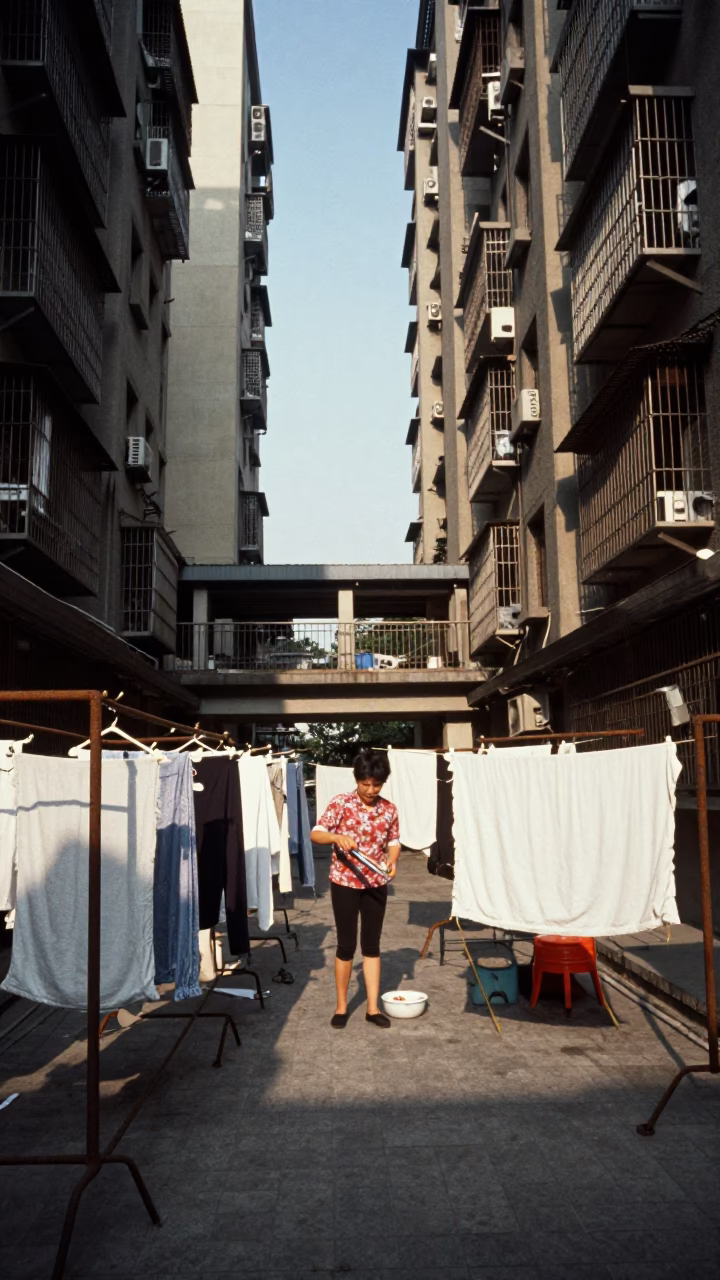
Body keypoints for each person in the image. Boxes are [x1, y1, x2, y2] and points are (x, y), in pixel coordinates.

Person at [311, 747, 401, 1029]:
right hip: (344, 883)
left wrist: (392, 861)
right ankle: (341, 1006)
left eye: (376, 784)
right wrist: (337, 837)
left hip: (376, 883)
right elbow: (316, 833)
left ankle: (372, 1008)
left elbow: (394, 842)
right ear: (357, 779)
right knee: (346, 944)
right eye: (365, 784)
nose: (371, 789)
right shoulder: (341, 803)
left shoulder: (389, 809)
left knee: (372, 946)